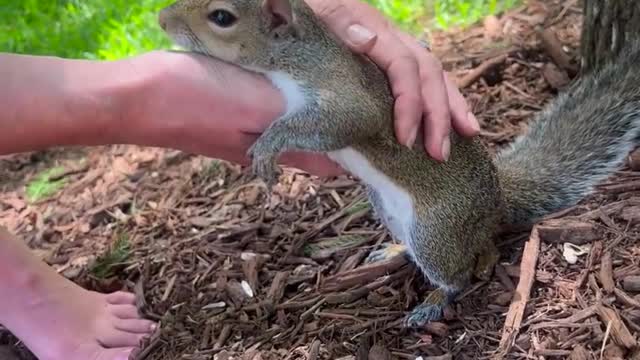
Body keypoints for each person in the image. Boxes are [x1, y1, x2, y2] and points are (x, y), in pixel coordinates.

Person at [0, 1, 479, 359]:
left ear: (276, 22)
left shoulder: (316, 69)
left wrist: (275, 138)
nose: (168, 20)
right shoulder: (297, 64)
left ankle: (450, 284)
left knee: (427, 233)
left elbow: (353, 115)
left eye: (220, 18)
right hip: (398, 181)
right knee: (400, 218)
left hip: (433, 193)